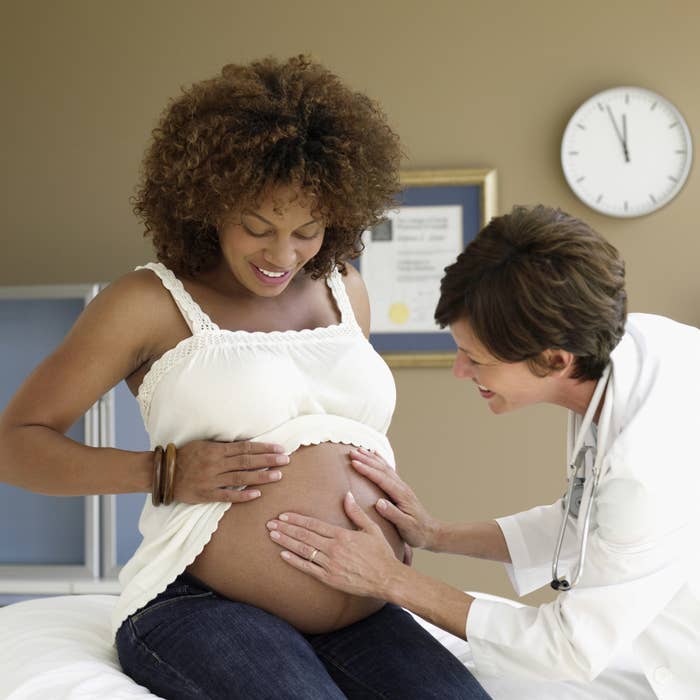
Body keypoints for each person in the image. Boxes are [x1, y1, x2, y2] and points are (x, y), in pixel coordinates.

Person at [0, 55, 490, 699]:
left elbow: (334, 435)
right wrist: (162, 471)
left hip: (364, 597)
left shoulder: (346, 289)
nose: (282, 256)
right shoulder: (147, 302)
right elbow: (16, 443)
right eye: (258, 228)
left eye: (306, 231)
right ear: (206, 203)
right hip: (201, 603)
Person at [267, 204, 700, 699]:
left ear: (554, 359)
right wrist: (434, 534)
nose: (460, 372)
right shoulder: (630, 349)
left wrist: (390, 580)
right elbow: (586, 521)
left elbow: (569, 649)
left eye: (476, 358)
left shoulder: (650, 463)